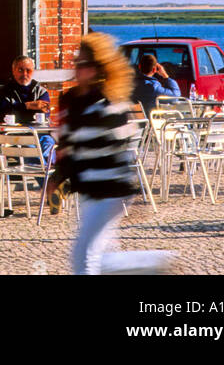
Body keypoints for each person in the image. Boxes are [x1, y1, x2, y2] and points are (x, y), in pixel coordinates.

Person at [54, 32, 169, 276]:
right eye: (76, 62)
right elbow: (67, 146)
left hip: (109, 192)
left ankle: (155, 264)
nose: (77, 68)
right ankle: (153, 265)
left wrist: (126, 192)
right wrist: (58, 177)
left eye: (83, 64)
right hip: (87, 190)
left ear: (97, 69)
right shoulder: (72, 101)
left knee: (84, 258)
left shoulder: (110, 105)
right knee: (103, 260)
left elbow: (121, 152)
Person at [0, 55, 55, 162]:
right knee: (32, 151)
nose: (24, 74)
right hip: (13, 137)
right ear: (13, 71)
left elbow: (45, 115)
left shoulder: (41, 92)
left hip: (38, 134)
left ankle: (49, 176)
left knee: (49, 143)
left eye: (28, 70)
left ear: (33, 71)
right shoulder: (2, 92)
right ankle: (48, 178)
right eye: (20, 70)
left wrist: (16, 110)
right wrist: (28, 106)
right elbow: (2, 113)